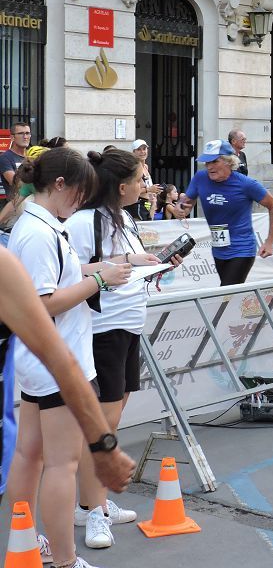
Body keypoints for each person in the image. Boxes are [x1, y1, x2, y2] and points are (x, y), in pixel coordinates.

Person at [5, 148, 135, 568]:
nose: (82, 202)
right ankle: (65, 559)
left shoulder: (38, 224)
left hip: (39, 360)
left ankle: (25, 538)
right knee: (61, 464)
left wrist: (101, 269)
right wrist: (98, 279)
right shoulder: (40, 231)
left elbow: (54, 281)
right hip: (55, 360)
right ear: (59, 185)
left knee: (32, 455)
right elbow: (44, 303)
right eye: (81, 193)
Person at [67, 150, 173, 550]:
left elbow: (116, 263)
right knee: (102, 427)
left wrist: (146, 262)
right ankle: (93, 513)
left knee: (114, 415)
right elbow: (71, 269)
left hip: (129, 325)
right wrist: (115, 266)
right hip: (103, 329)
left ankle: (91, 504)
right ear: (121, 186)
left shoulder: (124, 216)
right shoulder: (82, 221)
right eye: (141, 179)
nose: (147, 186)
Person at [179, 140, 273, 286]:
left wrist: (269, 241)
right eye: (207, 163)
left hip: (242, 248)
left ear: (228, 161)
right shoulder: (200, 178)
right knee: (228, 294)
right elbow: (187, 203)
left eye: (214, 161)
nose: (210, 167)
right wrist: (181, 208)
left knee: (226, 292)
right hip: (219, 248)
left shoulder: (246, 184)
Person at [126, 140, 160, 221]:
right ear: (133, 152)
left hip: (147, 203)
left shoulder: (145, 167)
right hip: (137, 204)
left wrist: (154, 191)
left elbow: (148, 185)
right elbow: (130, 190)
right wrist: (149, 189)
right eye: (139, 149)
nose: (142, 152)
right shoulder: (134, 168)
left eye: (144, 149)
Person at [0, 121, 30, 201]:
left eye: (27, 133)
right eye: (21, 133)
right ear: (12, 137)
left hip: (33, 206)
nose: (25, 137)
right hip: (16, 206)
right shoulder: (5, 157)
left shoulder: (31, 156)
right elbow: (16, 183)